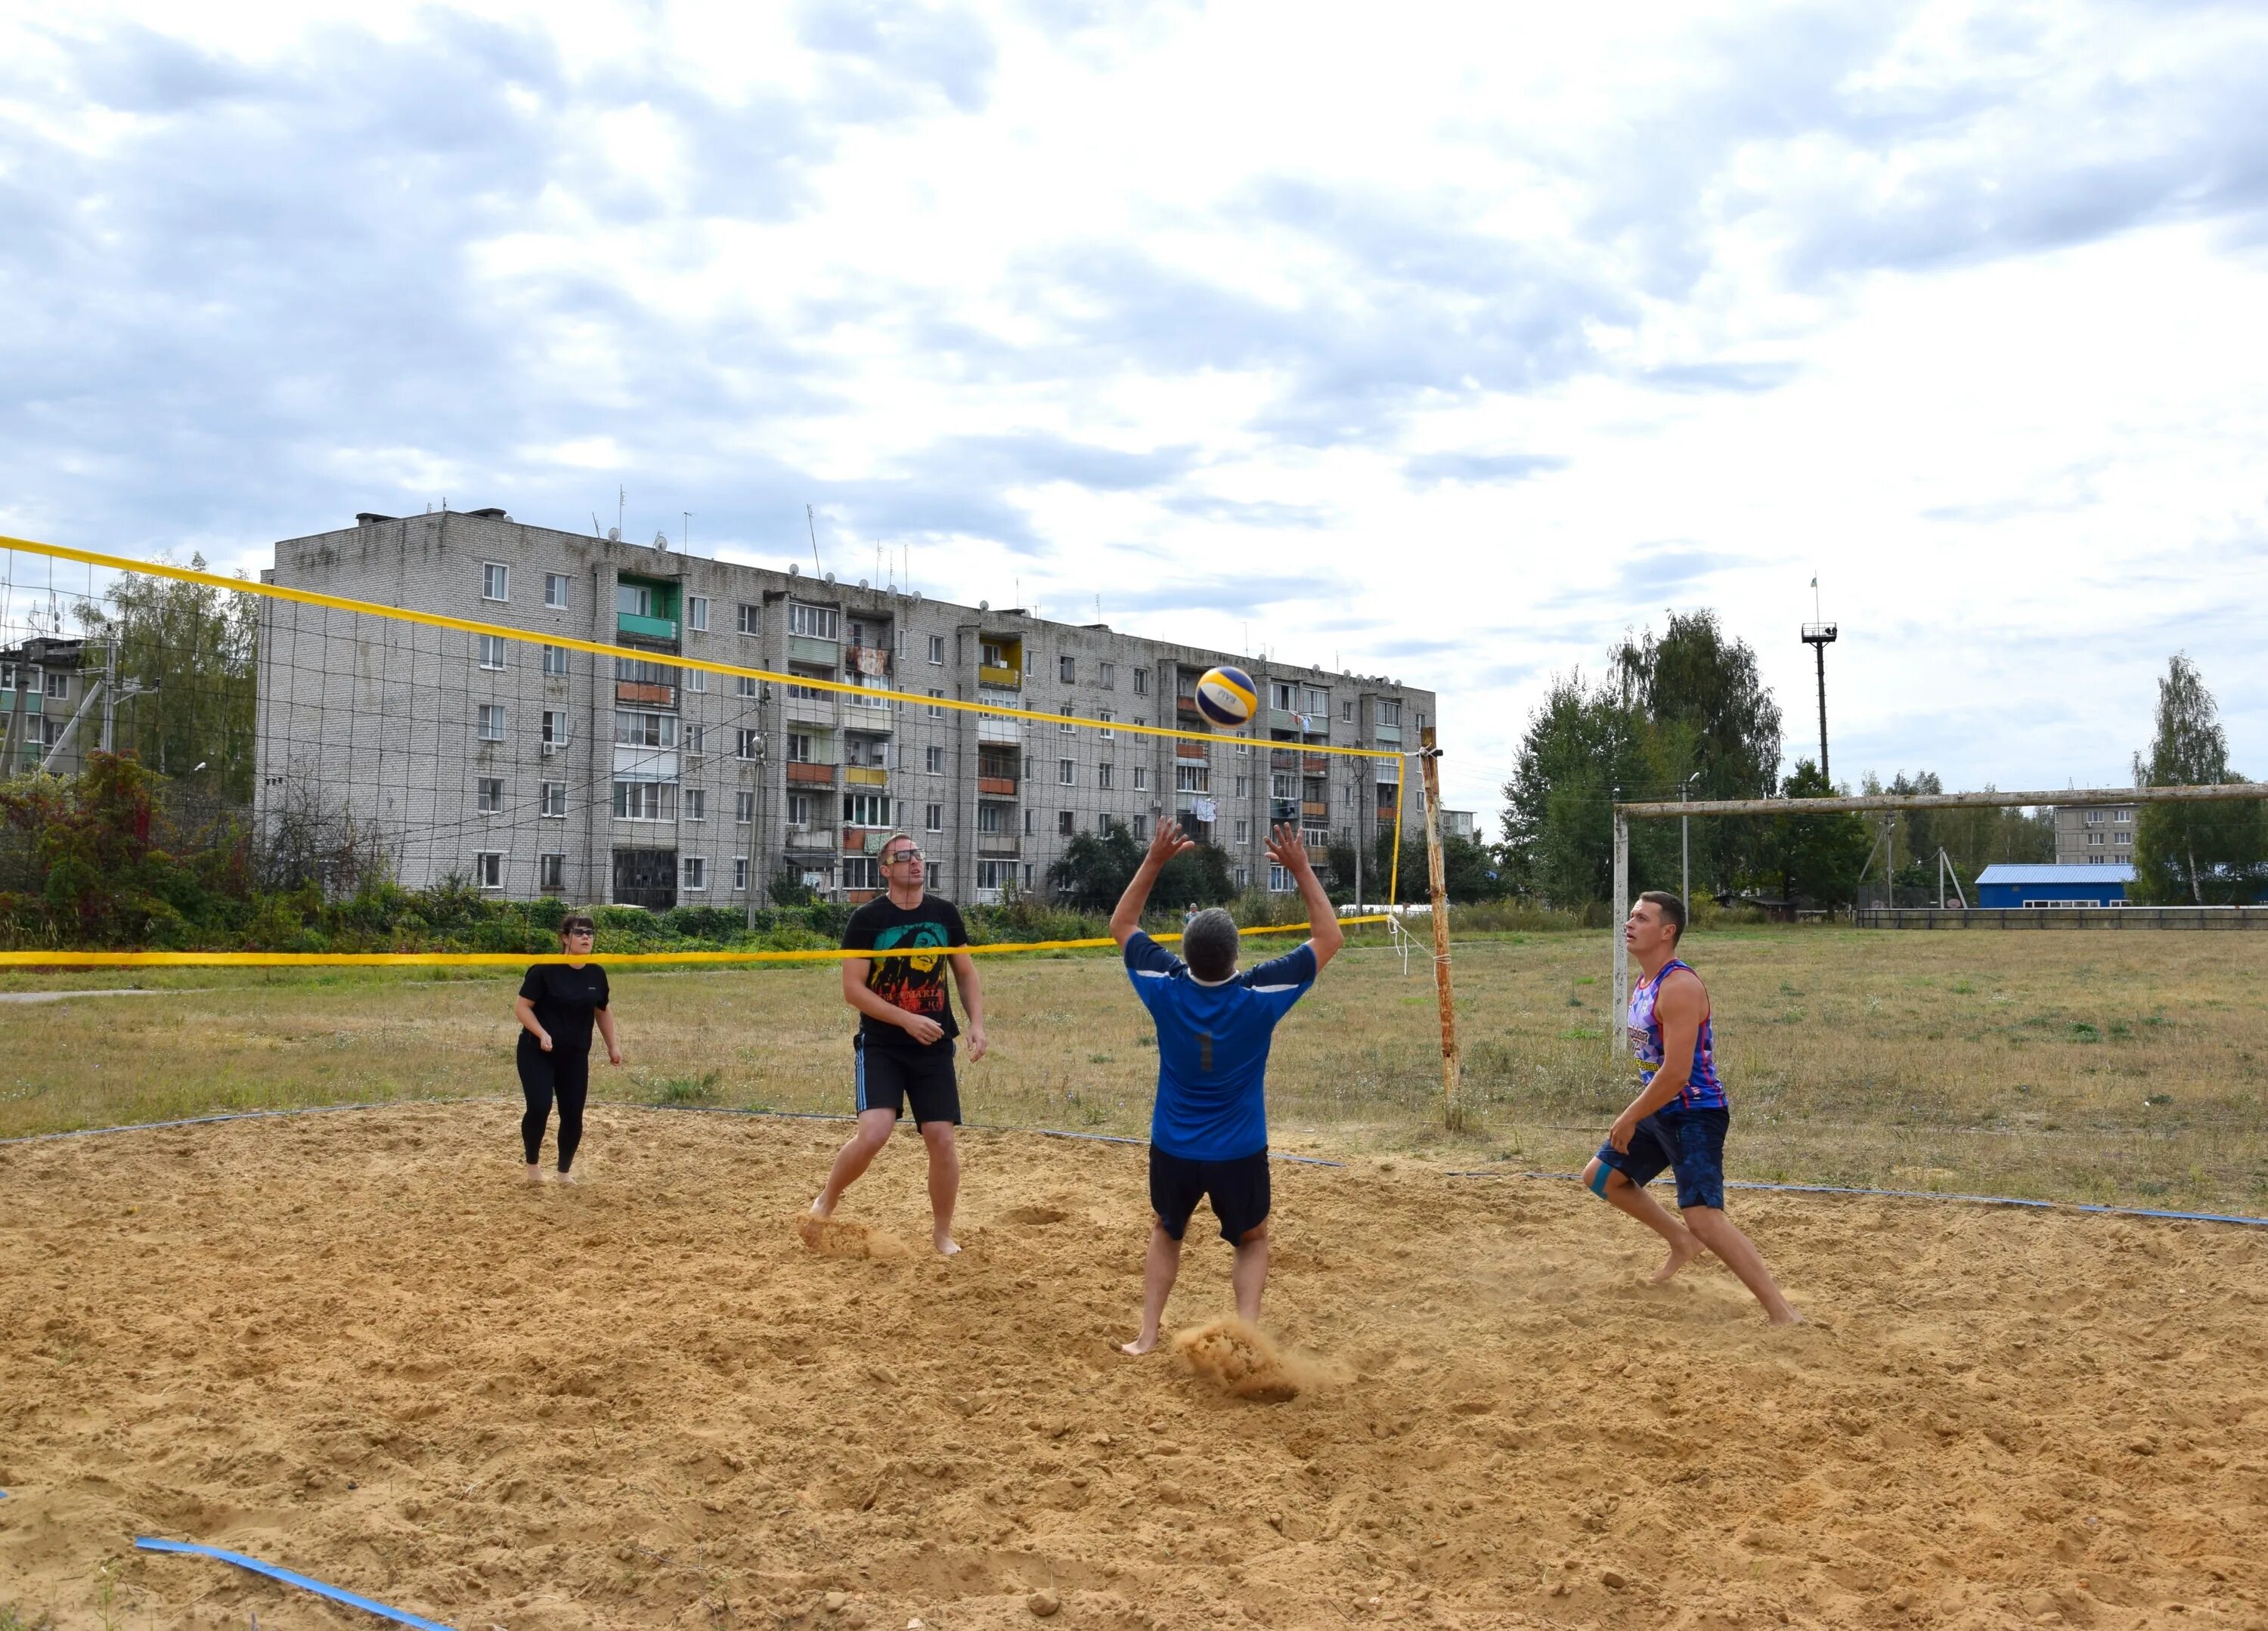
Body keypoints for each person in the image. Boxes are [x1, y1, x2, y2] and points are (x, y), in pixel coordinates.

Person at [1111, 819, 1342, 1356]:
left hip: (1174, 1146)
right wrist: (1302, 868)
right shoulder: (1260, 994)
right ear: (1236, 955)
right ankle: (1247, 1335)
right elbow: (1329, 937)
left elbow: (1123, 924)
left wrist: (1154, 860)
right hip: (1238, 1151)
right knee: (1252, 1239)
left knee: (1166, 1232)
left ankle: (1147, 1336)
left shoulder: (1164, 988)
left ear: (1186, 952)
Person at [1582, 890, 1800, 1324]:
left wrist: (1629, 1115)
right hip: (1663, 1109)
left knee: (1704, 1217)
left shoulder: (1679, 985)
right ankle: (1681, 1243)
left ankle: (1782, 1312)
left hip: (1695, 1112)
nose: (1629, 924)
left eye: (1641, 919)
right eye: (1630, 917)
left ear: (1668, 931)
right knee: (1602, 1177)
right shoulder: (1645, 982)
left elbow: (1678, 1073)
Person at [811, 833, 988, 1255]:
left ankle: (942, 1233)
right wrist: (907, 1020)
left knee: (941, 1138)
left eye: (918, 855)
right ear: (884, 869)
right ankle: (826, 1200)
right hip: (882, 1044)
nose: (914, 861)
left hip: (932, 1045)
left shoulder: (945, 914)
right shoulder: (867, 920)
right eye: (903, 856)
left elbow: (964, 973)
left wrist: (977, 1024)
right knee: (874, 1133)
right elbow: (853, 990)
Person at [513, 913, 621, 1184]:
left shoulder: (596, 973)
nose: (586, 937)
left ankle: (563, 1173)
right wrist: (541, 1033)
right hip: (537, 1052)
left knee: (572, 1114)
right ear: (564, 938)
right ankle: (533, 1168)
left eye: (590, 933)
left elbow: (602, 1011)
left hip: (574, 1055)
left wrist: (613, 1046)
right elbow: (521, 1007)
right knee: (539, 1107)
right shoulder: (544, 970)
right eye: (579, 932)